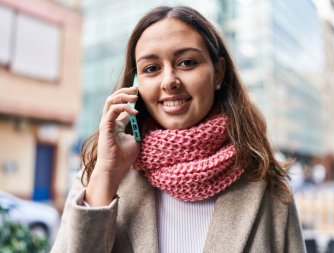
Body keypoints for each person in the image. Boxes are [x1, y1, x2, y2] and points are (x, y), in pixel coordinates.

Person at [51, 6, 306, 253]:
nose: (169, 81)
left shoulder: (267, 183)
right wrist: (107, 173)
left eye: (187, 62)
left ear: (218, 72)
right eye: (151, 68)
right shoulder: (100, 172)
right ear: (135, 84)